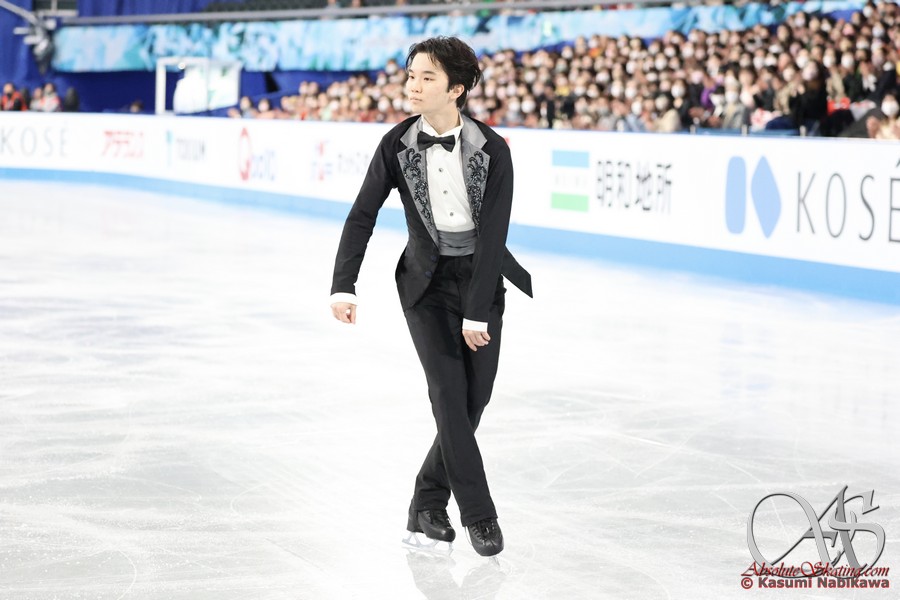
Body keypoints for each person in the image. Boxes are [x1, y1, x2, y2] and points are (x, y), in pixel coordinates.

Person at [329, 36, 532, 557]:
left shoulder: (493, 149)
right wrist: (344, 283)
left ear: (456, 88)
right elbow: (362, 214)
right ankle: (480, 516)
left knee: (473, 401)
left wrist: (477, 310)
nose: (413, 86)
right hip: (424, 283)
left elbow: (494, 236)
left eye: (427, 77)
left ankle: (426, 502)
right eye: (411, 75)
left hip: (481, 278)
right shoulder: (396, 144)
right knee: (447, 394)